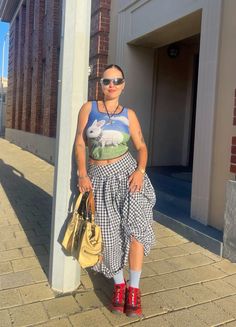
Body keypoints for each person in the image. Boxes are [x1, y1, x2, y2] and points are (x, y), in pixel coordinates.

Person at [75, 64, 156, 318]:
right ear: (100, 84)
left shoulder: (129, 114)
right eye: (106, 80)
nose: (112, 85)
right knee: (109, 237)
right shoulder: (89, 108)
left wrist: (140, 172)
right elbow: (80, 141)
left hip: (127, 175)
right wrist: (82, 174)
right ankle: (118, 285)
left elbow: (141, 147)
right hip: (98, 178)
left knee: (135, 231)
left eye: (117, 80)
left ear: (124, 84)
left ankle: (134, 288)